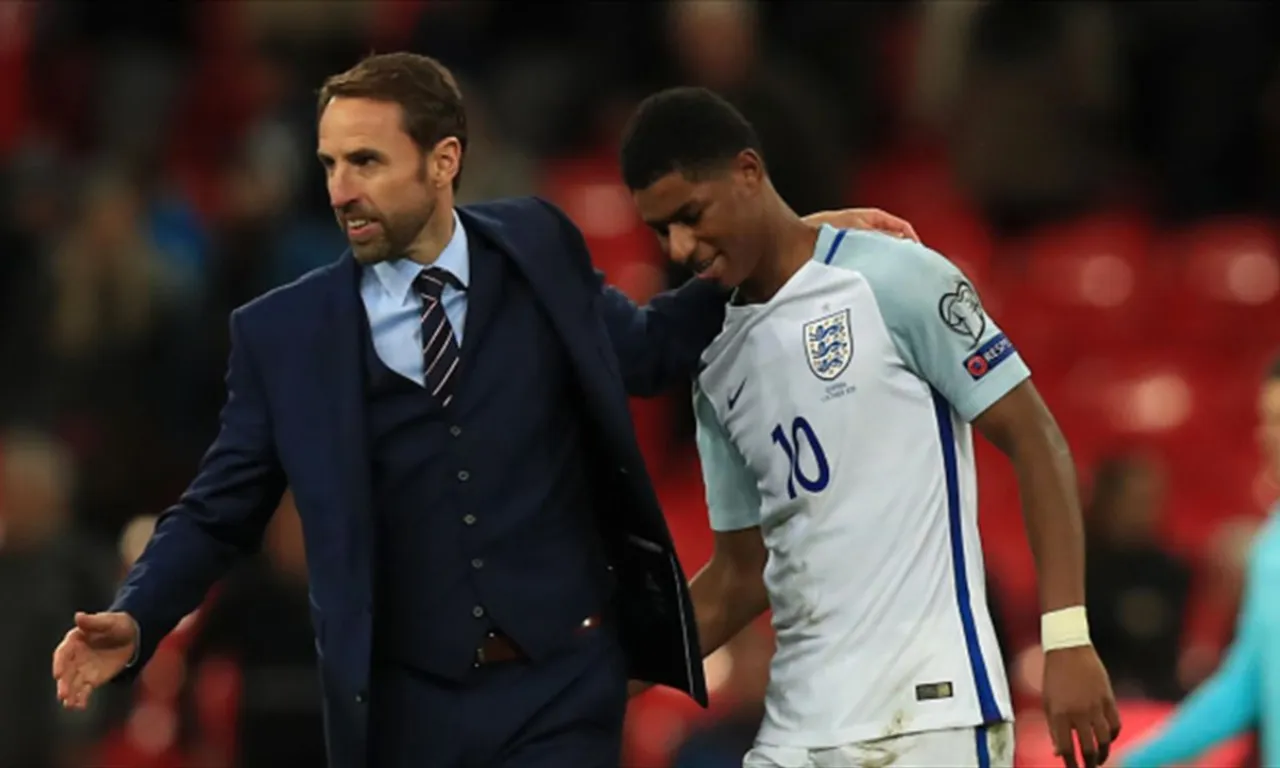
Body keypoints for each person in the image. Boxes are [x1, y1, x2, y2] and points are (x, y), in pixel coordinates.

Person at [49, 53, 916, 768]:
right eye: (330, 165)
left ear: (443, 161)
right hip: (404, 711)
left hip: (562, 690)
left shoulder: (538, 246)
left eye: (367, 162)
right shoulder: (283, 334)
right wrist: (138, 613)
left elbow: (648, 353)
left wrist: (777, 244)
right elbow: (217, 510)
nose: (341, 189)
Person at [619, 87, 1120, 768]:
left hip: (930, 717)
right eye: (661, 230)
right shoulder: (712, 357)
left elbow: (1034, 439)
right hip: (798, 729)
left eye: (691, 215)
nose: (680, 246)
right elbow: (740, 575)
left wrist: (1066, 636)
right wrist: (588, 681)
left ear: (748, 172)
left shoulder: (894, 276)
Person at [1118, 356, 1280, 767]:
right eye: (1266, 420)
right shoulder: (1269, 549)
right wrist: (1134, 762)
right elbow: (1242, 686)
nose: (1268, 437)